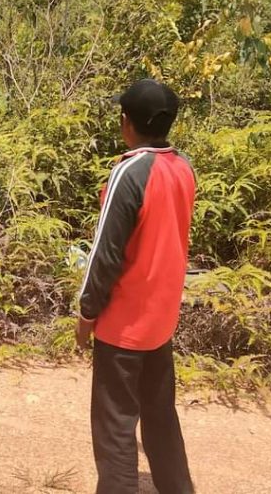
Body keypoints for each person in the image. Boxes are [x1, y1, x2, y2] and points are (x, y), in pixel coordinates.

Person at [75, 78, 196, 494]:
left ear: (127, 122)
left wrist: (87, 312)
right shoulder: (183, 168)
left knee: (115, 429)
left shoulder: (129, 172)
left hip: (123, 327)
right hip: (161, 321)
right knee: (160, 417)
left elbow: (105, 254)